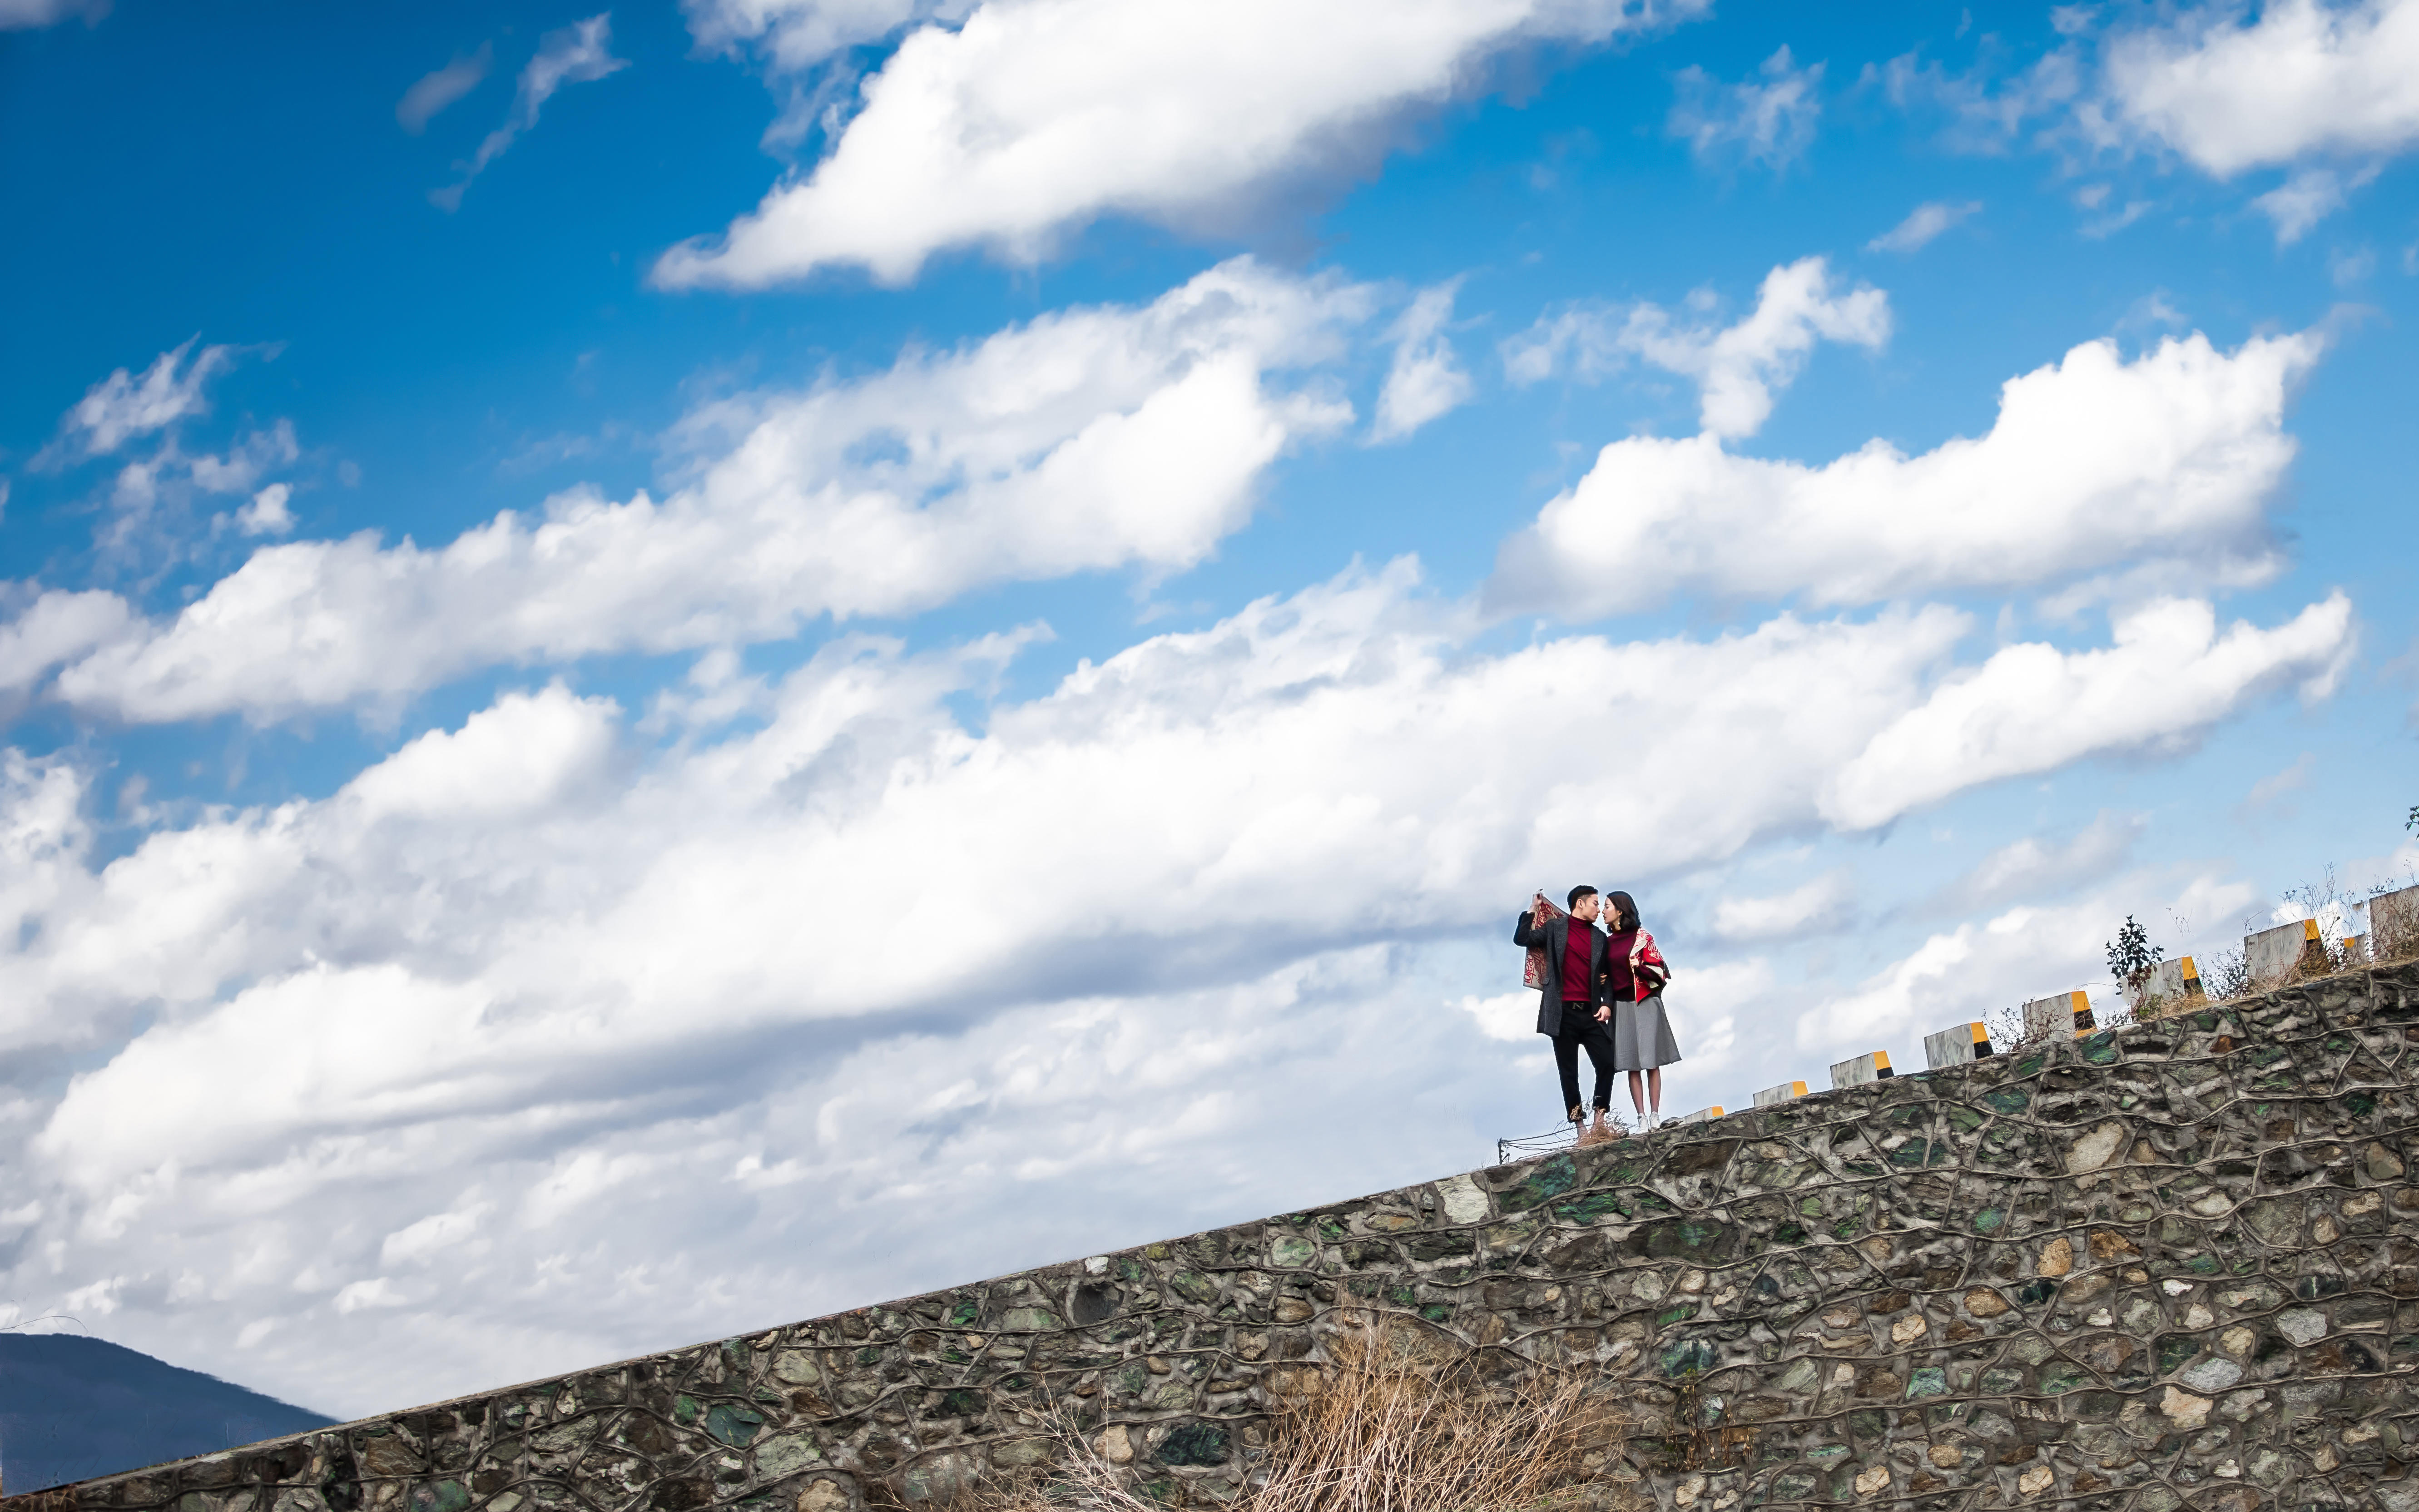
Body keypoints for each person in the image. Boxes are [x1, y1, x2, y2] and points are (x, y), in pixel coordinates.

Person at [1512, 886, 1621, 1145]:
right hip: (1561, 1013)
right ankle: (1581, 1128)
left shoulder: (1599, 938)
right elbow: (1521, 938)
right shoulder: (1555, 929)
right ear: (1580, 904)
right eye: (1595, 903)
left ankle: (1600, 1121)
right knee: (1568, 1072)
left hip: (1592, 1013)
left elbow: (1607, 978)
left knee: (1608, 1063)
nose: (1599, 908)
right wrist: (1532, 909)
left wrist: (1608, 1004)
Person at [1601, 890, 1682, 1129]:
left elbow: (1662, 973)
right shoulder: (1606, 943)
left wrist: (1641, 966)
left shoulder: (1642, 937)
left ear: (1620, 910)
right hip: (1620, 1006)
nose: (1603, 912)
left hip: (1645, 1002)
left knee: (1652, 1061)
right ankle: (1641, 1117)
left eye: (1607, 906)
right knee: (1631, 1063)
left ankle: (1655, 1114)